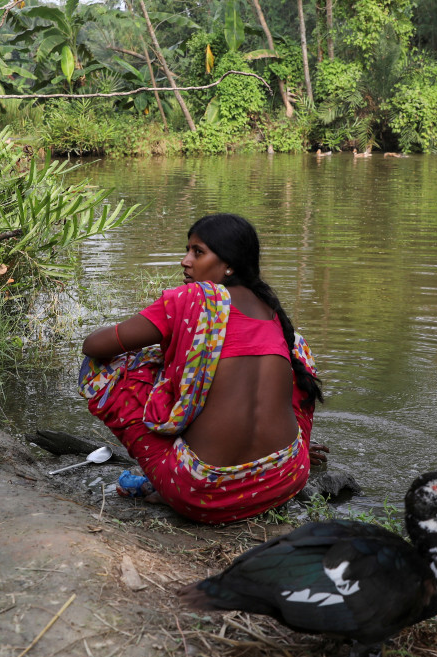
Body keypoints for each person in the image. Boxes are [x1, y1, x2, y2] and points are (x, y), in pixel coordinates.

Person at [79, 213, 324, 524]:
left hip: (200, 494)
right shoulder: (273, 314)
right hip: (285, 479)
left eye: (198, 252)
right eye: (188, 250)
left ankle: (165, 487)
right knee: (296, 352)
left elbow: (93, 347)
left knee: (100, 366)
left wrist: (162, 348)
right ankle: (287, 448)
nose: (185, 261)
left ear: (230, 264)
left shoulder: (190, 299)